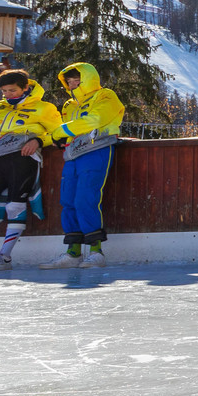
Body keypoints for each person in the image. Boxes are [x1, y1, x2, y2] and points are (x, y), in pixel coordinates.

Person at [45, 62, 125, 268]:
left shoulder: (106, 96)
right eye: (68, 80)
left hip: (97, 149)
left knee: (85, 199)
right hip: (72, 155)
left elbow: (95, 119)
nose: (72, 83)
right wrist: (46, 139)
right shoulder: (69, 105)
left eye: (76, 78)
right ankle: (73, 253)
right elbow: (60, 132)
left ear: (88, 78)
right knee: (68, 201)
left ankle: (96, 252)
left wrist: (61, 131)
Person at [0, 69, 63, 270]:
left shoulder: (43, 108)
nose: (8, 95)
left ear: (25, 88)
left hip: (22, 160)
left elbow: (60, 132)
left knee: (15, 205)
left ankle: (4, 257)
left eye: (12, 90)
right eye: (4, 91)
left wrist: (38, 140)